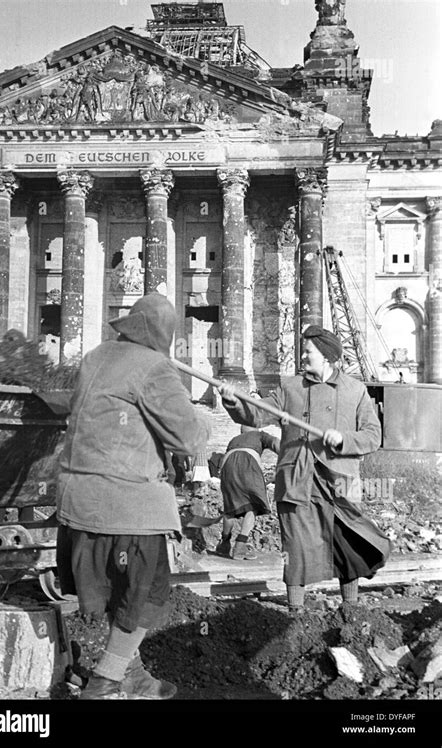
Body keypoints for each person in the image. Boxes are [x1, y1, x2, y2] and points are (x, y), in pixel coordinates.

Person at [56, 293, 209, 699]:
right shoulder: (155, 367)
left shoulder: (95, 356)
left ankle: (133, 673)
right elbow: (187, 438)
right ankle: (106, 680)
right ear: (165, 334)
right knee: (146, 594)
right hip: (126, 505)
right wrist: (205, 413)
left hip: (76, 501)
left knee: (119, 593)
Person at [219, 325, 390, 611]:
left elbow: (373, 435)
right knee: (295, 546)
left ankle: (350, 608)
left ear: (326, 356)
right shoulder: (291, 387)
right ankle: (295, 612)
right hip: (297, 478)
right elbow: (259, 412)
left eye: (308, 352)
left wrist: (344, 439)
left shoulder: (354, 390)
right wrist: (234, 401)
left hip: (338, 480)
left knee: (345, 541)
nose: (303, 357)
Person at [215, 426, 280, 560]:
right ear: (255, 428)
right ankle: (240, 546)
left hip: (227, 466)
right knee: (253, 505)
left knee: (231, 506)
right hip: (248, 464)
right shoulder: (260, 435)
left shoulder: (234, 439)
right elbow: (278, 445)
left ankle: (224, 544)